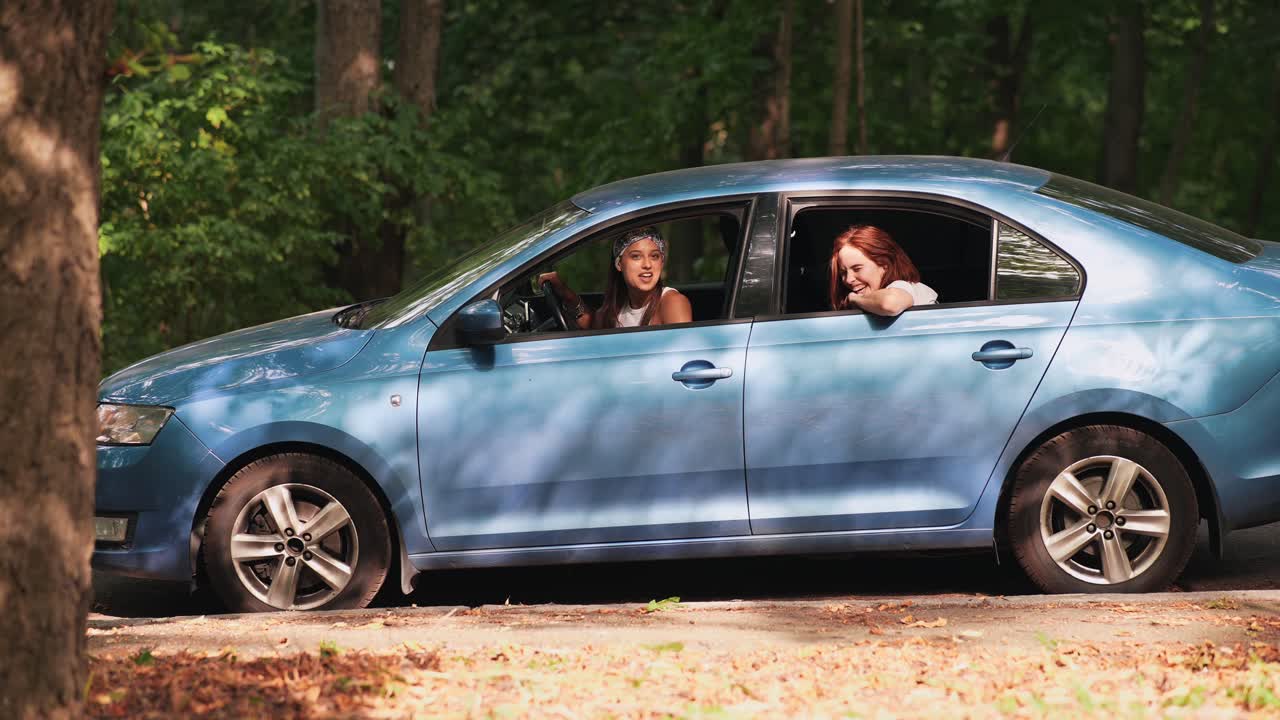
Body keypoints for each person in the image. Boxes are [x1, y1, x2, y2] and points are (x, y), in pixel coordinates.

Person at [539, 226, 692, 330]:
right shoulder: (621, 306)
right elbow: (591, 324)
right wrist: (566, 294)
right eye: (636, 257)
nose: (647, 265)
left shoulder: (673, 302)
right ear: (619, 264)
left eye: (654, 256)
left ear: (662, 262)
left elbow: (685, 360)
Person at [829, 224, 937, 317]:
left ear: (884, 264)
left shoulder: (903, 286)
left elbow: (889, 304)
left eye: (857, 269)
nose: (848, 279)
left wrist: (855, 299)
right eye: (843, 273)